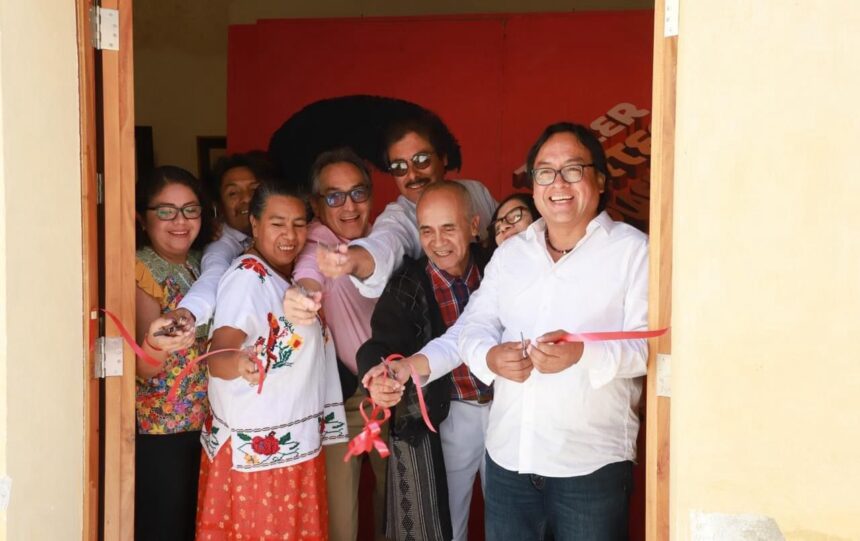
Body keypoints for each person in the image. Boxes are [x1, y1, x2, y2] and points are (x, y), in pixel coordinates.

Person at [457, 122, 649, 540]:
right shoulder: (512, 253)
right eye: (545, 172)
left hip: (590, 468)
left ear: (599, 178)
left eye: (573, 169)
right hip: (509, 461)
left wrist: (583, 354)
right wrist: (489, 357)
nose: (557, 183)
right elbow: (472, 325)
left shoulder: (633, 252)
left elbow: (648, 347)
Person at [196, 182, 348, 539]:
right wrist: (240, 365)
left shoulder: (287, 275)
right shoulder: (248, 278)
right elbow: (217, 356)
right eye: (278, 223)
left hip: (288, 445)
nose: (290, 235)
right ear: (254, 223)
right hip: (259, 459)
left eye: (298, 224)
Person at [359, 181, 491, 541]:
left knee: (515, 517)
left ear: (474, 225)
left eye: (449, 227)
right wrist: (378, 375)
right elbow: (378, 346)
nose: (438, 241)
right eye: (427, 231)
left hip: (507, 411)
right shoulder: (407, 282)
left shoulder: (498, 266)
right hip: (450, 415)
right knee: (446, 524)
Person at [283, 147, 387, 541]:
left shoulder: (382, 237)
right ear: (315, 203)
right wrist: (303, 295)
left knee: (398, 506)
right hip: (343, 400)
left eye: (358, 193)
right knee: (340, 519)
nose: (348, 206)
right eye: (334, 196)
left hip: (393, 393)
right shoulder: (316, 243)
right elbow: (310, 273)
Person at [317, 113, 497, 298]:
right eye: (399, 167)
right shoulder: (397, 218)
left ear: (443, 157)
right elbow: (385, 246)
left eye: (421, 160)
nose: (412, 175)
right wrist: (352, 259)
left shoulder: (476, 191)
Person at [133, 165, 213, 541]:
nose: (180, 221)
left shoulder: (202, 264)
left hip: (208, 426)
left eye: (190, 210)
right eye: (166, 211)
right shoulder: (141, 268)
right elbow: (144, 369)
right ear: (142, 217)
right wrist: (156, 345)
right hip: (163, 430)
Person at [173, 152, 271, 328]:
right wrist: (189, 312)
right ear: (218, 205)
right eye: (233, 193)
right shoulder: (221, 244)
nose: (247, 198)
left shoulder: (284, 232)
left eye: (254, 190)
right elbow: (214, 274)